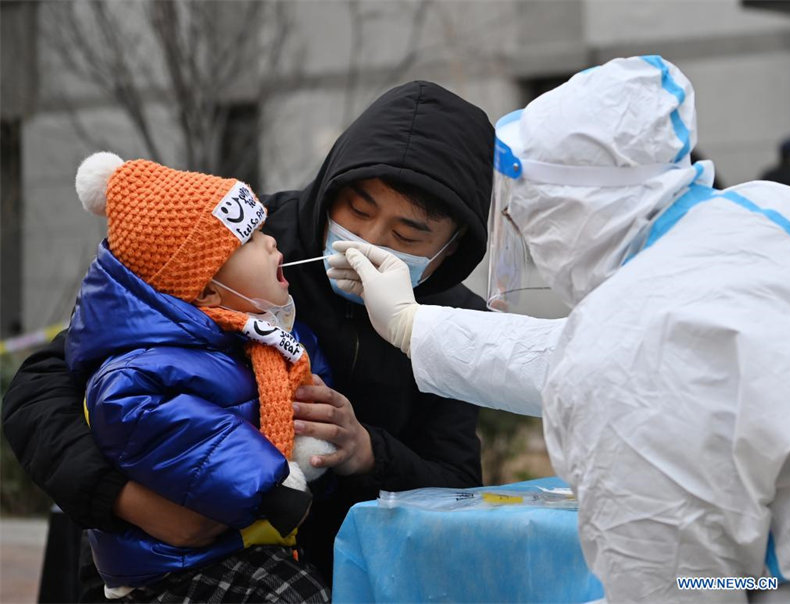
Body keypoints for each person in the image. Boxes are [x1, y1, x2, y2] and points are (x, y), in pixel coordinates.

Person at [329, 56, 790, 601]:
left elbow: (674, 584)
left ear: (567, 215)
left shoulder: (634, 339)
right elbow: (621, 357)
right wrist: (415, 326)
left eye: (526, 222)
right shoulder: (762, 213)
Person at [2, 80, 492, 599]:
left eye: (408, 236)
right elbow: (44, 386)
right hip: (161, 573)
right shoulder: (239, 246)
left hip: (327, 580)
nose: (368, 244)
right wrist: (129, 501)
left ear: (452, 248)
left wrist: (369, 451)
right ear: (333, 184)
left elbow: (457, 484)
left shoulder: (451, 321)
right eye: (358, 210)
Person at [66, 152, 334, 601]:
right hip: (166, 567)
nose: (271, 243)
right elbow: (151, 421)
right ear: (206, 288)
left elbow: (300, 379)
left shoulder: (258, 336)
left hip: (238, 542)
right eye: (249, 240)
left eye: (263, 230)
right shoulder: (142, 366)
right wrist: (268, 483)